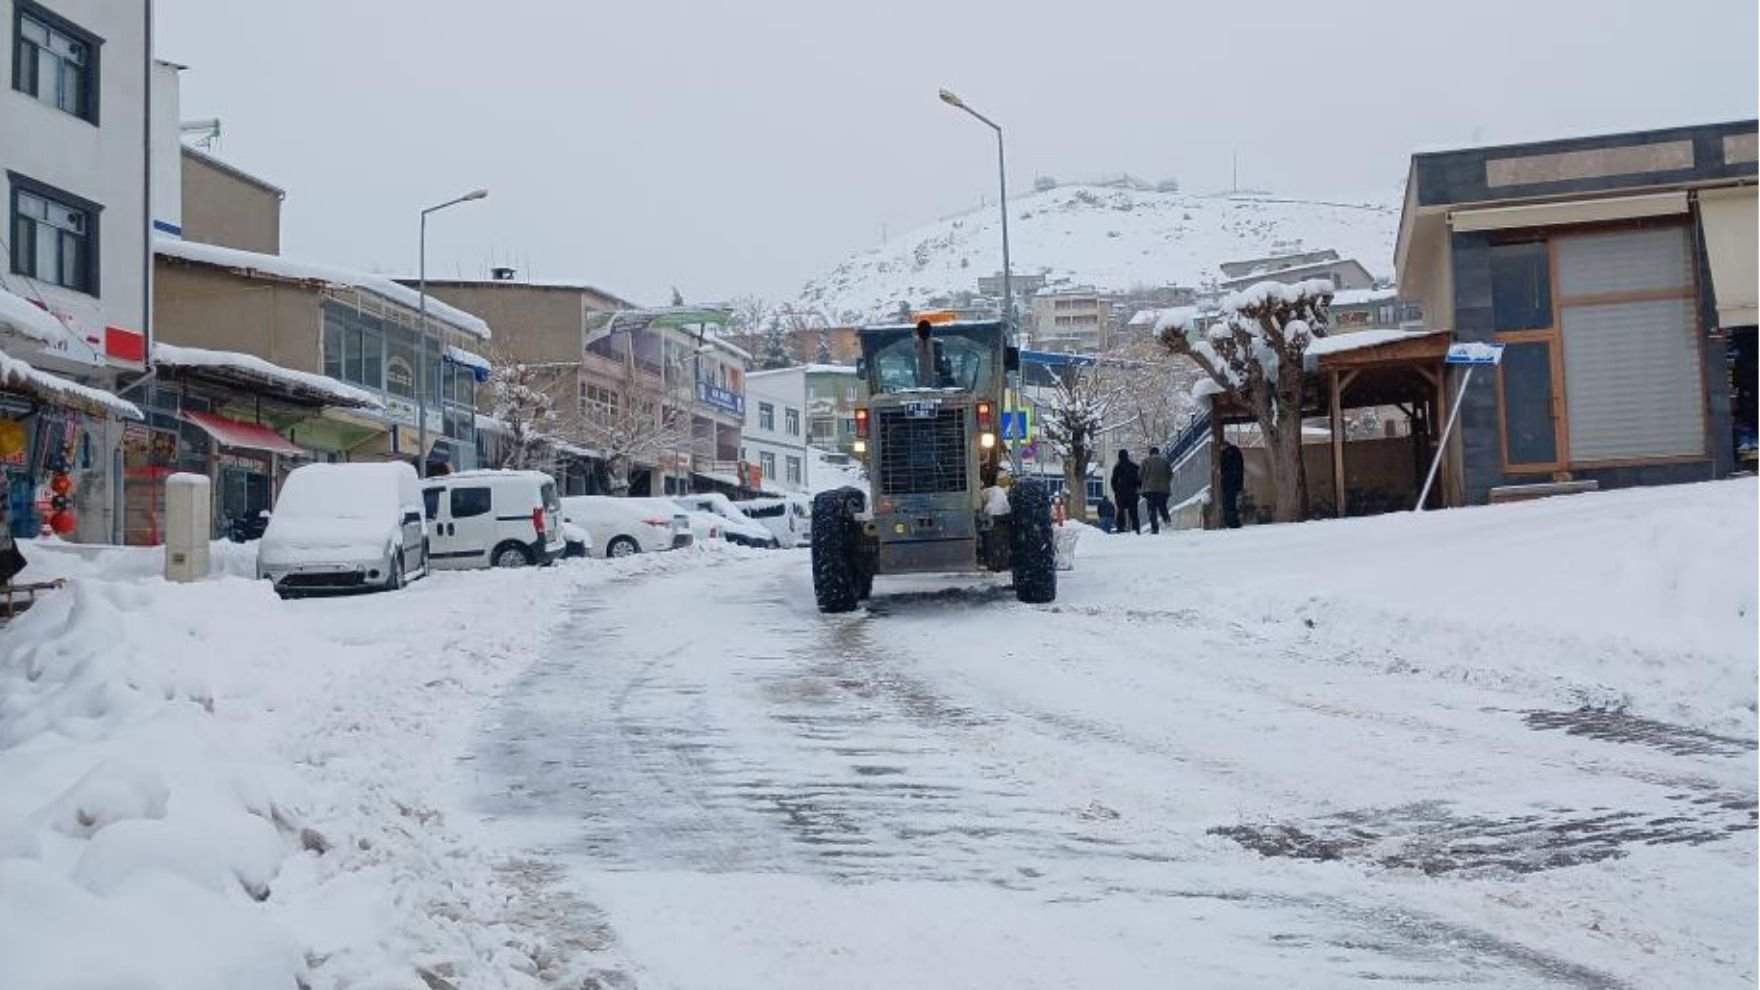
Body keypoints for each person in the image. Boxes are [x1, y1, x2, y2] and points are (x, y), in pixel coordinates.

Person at [1139, 446, 1172, 534]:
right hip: (1163, 490)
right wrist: (1165, 482)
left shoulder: (1146, 461)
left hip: (1150, 490)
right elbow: (1170, 475)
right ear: (1158, 453)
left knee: (1152, 509)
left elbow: (1140, 475)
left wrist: (1145, 482)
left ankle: (1155, 529)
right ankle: (1167, 523)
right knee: (1162, 506)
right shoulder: (1165, 461)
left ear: (1150, 453)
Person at [1110, 449, 1141, 534]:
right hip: (1132, 493)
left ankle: (1121, 528)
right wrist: (1137, 489)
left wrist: (1116, 490)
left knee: (1121, 511)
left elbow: (1113, 481)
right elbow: (1139, 481)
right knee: (1134, 512)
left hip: (1121, 494)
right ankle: (1136, 529)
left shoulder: (1117, 468)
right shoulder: (1135, 467)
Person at [1219, 441, 1245, 529]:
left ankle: (1232, 522)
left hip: (1229, 483)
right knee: (1232, 503)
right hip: (1234, 483)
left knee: (1229, 504)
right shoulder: (1235, 452)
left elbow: (1227, 468)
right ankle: (1233, 522)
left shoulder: (1229, 454)